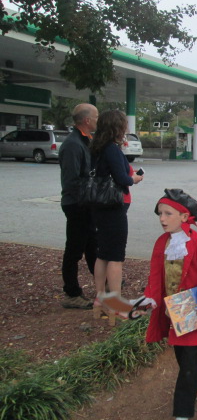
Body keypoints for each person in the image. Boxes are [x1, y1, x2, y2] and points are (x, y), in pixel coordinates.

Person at [142, 189, 197, 420]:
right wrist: (149, 298)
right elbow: (156, 275)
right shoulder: (162, 242)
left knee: (188, 364)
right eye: (160, 213)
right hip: (172, 311)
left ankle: (183, 413)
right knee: (184, 358)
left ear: (184, 217)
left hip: (194, 310)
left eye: (168, 213)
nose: (162, 219)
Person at [90, 110, 143, 322]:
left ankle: (100, 298)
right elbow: (122, 178)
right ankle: (116, 305)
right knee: (115, 256)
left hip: (99, 205)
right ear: (117, 127)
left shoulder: (96, 147)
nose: (125, 129)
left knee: (103, 253)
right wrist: (134, 179)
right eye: (123, 126)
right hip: (113, 206)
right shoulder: (111, 149)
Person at [58, 103, 99, 309]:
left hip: (85, 204)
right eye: (97, 117)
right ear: (87, 120)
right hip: (77, 205)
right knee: (74, 250)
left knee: (92, 245)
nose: (99, 120)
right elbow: (71, 181)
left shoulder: (85, 140)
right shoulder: (73, 145)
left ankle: (104, 283)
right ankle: (71, 293)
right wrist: (86, 199)